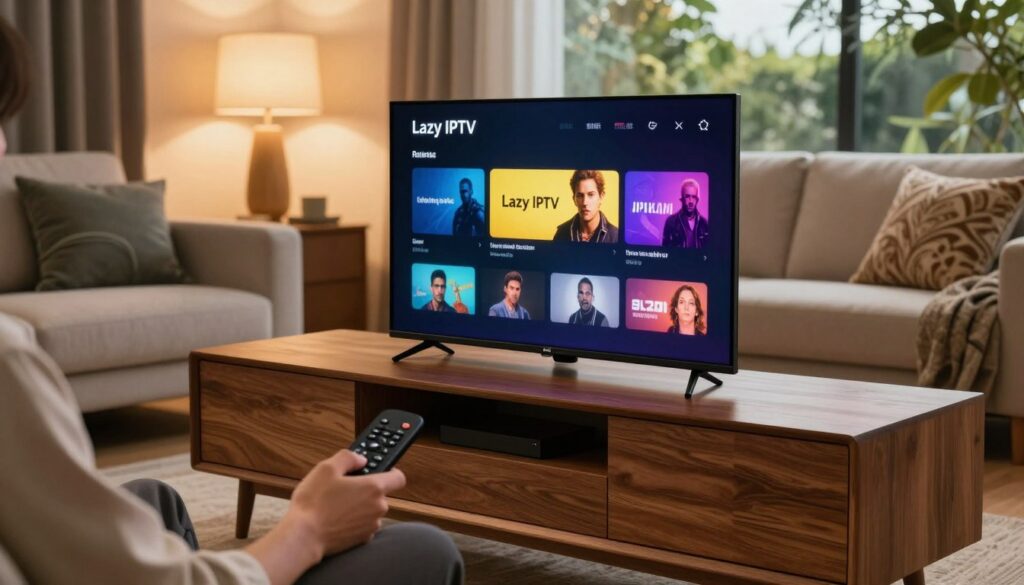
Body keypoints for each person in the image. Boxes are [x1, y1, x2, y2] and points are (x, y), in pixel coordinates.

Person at [0, 17, 463, 585]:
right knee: (425, 548)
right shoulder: (6, 360)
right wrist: (308, 527)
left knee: (153, 499)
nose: (4, 144)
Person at [553, 170, 619, 243]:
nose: (585, 202)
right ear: (574, 199)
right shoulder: (561, 233)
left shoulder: (616, 237)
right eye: (580, 196)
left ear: (601, 197)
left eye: (591, 195)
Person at [661, 179, 709, 248]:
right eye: (687, 196)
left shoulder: (704, 223)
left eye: (694, 197)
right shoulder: (671, 222)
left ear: (697, 200)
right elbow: (665, 251)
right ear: (682, 198)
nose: (691, 201)